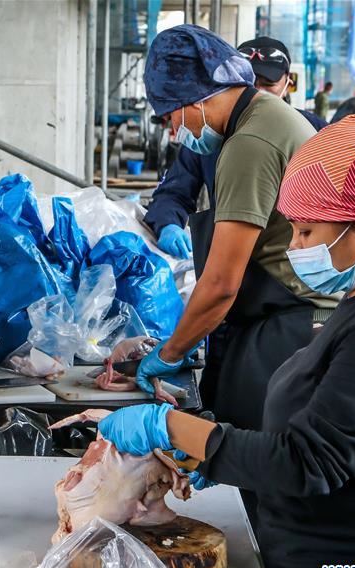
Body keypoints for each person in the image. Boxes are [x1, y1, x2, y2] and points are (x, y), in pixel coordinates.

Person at [98, 113, 355, 568]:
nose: (294, 248)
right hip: (325, 557)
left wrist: (173, 428)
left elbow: (308, 464)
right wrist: (218, 454)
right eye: (292, 230)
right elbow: (319, 429)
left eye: (307, 233)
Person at [136, 25, 339, 525]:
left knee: (259, 471)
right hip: (286, 313)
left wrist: (169, 354)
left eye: (171, 116)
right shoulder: (264, 118)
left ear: (198, 97)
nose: (173, 131)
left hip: (294, 322)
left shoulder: (250, 142)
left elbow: (222, 284)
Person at [146, 35, 327, 276]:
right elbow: (174, 190)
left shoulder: (315, 133)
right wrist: (167, 223)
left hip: (292, 279)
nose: (257, 91)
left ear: (287, 83)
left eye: (267, 83)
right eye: (249, 81)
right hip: (237, 273)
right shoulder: (206, 136)